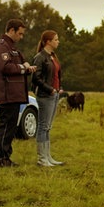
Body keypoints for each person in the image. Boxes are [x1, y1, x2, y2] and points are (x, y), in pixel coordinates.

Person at [0, 18, 37, 167]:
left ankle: (6, 157)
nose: (21, 37)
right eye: (20, 33)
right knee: (5, 127)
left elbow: (22, 63)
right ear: (11, 30)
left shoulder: (14, 48)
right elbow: (5, 67)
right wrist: (23, 68)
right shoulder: (2, 46)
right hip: (7, 94)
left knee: (11, 128)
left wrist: (27, 67)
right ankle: (1, 159)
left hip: (15, 94)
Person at [31, 30, 64, 167]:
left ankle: (48, 156)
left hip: (54, 94)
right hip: (45, 95)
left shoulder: (52, 57)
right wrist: (49, 89)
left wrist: (58, 88)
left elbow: (56, 75)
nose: (58, 41)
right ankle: (41, 158)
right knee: (43, 126)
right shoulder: (40, 57)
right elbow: (35, 78)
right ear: (48, 42)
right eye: (56, 39)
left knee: (48, 127)